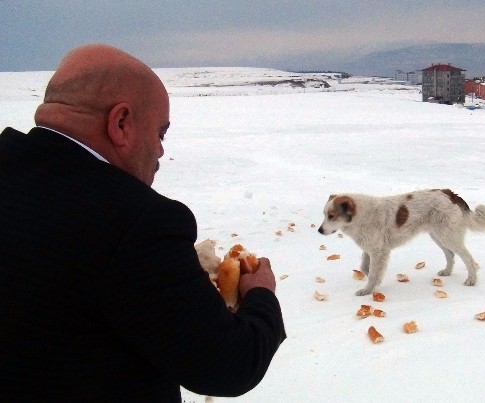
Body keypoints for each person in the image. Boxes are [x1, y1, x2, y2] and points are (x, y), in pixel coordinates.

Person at [0, 44, 286, 402]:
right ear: (121, 123)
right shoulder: (137, 224)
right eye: (160, 133)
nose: (161, 151)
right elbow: (229, 363)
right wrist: (260, 294)